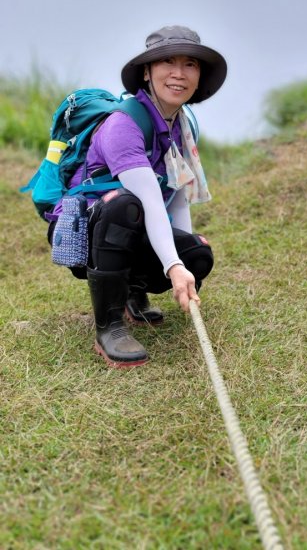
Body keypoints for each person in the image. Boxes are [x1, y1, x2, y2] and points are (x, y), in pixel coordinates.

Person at [48, 25, 227, 368]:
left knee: (198, 253)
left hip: (129, 224)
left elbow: (175, 198)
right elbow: (148, 200)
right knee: (125, 206)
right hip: (85, 232)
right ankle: (109, 327)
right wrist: (173, 267)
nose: (179, 74)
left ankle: (132, 295)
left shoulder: (181, 125)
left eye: (190, 64)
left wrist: (184, 259)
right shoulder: (124, 125)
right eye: (166, 63)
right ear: (147, 72)